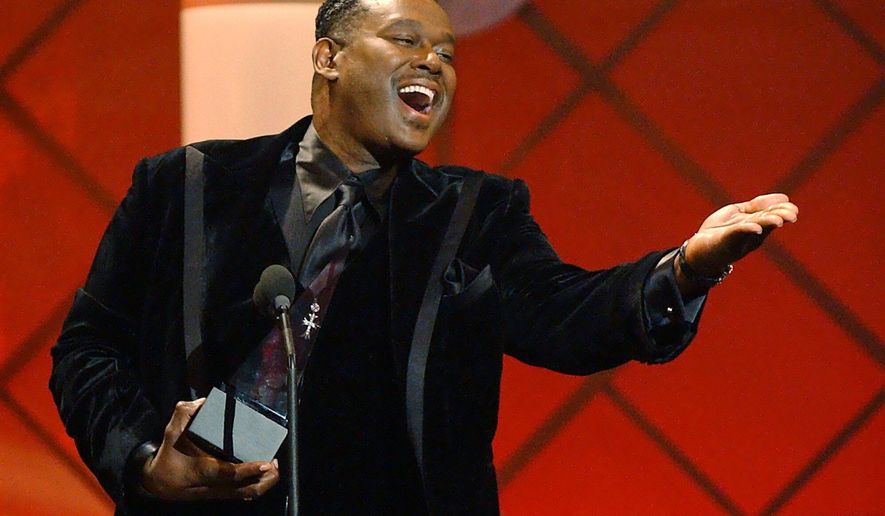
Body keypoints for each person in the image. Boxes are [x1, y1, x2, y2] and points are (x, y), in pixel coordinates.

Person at [49, 0, 799, 514]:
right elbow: (89, 349)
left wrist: (687, 268)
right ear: (328, 55)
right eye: (407, 39)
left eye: (446, 51)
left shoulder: (476, 213)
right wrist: (147, 461)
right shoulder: (186, 184)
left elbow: (569, 315)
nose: (435, 62)